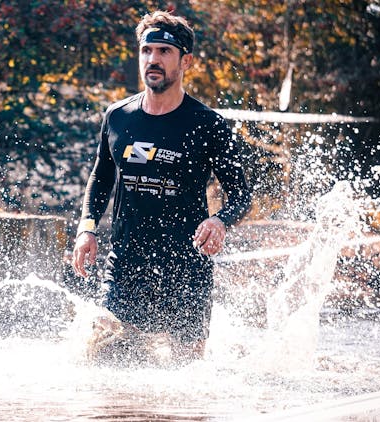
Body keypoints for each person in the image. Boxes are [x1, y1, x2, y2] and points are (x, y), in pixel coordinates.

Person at [71, 10, 252, 360]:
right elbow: (101, 176)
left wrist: (219, 221)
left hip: (187, 267)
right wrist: (87, 228)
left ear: (186, 61)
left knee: (185, 376)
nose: (152, 59)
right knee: (100, 359)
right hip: (126, 263)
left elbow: (242, 195)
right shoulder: (118, 116)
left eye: (164, 52)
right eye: (146, 50)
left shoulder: (208, 124)